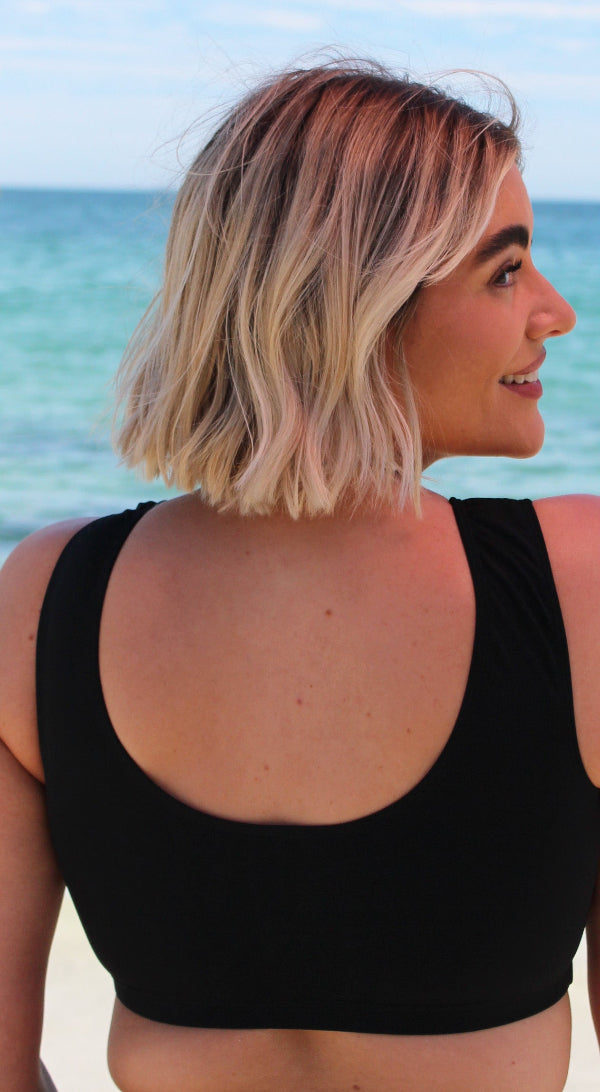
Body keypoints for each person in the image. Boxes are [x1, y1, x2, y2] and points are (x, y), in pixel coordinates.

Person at [0, 57, 598, 1092]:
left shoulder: (45, 596)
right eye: (506, 270)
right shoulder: (580, 583)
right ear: (359, 300)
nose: (556, 312)